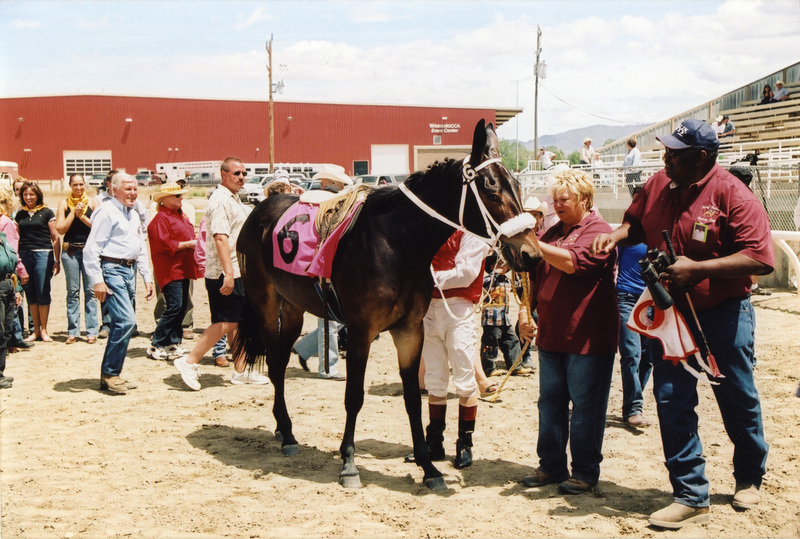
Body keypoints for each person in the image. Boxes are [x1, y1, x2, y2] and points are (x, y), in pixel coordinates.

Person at [590, 118, 774, 528]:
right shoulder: (658, 183)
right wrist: (617, 235)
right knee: (672, 399)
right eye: (667, 150)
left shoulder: (733, 194)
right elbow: (635, 223)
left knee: (737, 395)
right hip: (670, 311)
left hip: (723, 311)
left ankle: (749, 474)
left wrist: (699, 269)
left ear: (701, 158)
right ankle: (690, 492)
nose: (666, 157)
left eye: (675, 153)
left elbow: (761, 258)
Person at [518, 168, 618, 496]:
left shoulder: (599, 231)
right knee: (550, 402)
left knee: (586, 405)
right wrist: (524, 309)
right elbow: (533, 273)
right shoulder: (551, 233)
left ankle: (585, 471)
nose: (557, 205)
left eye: (564, 199)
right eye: (554, 200)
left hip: (586, 336)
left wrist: (532, 241)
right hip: (552, 334)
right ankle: (551, 464)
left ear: (584, 200)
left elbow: (572, 263)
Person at [174, 157, 269, 390]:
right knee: (227, 321)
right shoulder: (219, 201)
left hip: (238, 269)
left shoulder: (233, 199)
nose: (242, 177)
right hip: (224, 271)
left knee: (236, 322)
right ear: (224, 174)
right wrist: (227, 273)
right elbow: (220, 237)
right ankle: (189, 361)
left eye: (244, 173)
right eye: (237, 173)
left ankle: (241, 369)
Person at [421, 229, 487, 469]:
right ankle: (434, 442)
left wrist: (424, 277)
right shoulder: (430, 225)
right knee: (434, 378)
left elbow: (466, 273)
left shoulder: (471, 231)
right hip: (428, 305)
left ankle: (464, 444)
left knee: (464, 377)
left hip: (458, 307)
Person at [84, 172, 155, 393]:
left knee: (123, 323)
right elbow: (90, 249)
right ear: (114, 190)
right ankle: (109, 374)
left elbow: (140, 245)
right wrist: (97, 280)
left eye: (135, 189)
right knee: (125, 321)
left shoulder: (132, 213)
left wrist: (147, 275)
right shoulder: (106, 212)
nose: (133, 193)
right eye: (128, 189)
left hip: (128, 270)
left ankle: (113, 374)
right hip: (111, 270)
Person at [146, 183, 199, 361]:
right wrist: (189, 244)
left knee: (182, 306)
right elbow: (164, 245)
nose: (181, 198)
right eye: (177, 196)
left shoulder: (179, 216)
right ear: (165, 199)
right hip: (170, 269)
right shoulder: (160, 220)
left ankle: (173, 342)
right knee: (174, 305)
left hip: (183, 267)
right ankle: (158, 342)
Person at [614, 187, 653, 429]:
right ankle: (634, 407)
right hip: (626, 297)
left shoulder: (662, 229)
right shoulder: (626, 231)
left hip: (652, 300)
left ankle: (632, 403)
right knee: (631, 354)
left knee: (648, 357)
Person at [56, 173, 101, 344]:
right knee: (73, 292)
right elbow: (60, 229)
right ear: (70, 186)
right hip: (71, 252)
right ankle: (73, 331)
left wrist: (83, 216)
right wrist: (73, 213)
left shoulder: (93, 203)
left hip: (89, 252)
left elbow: (97, 227)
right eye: (75, 185)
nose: (78, 188)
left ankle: (91, 331)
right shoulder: (63, 204)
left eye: (81, 184)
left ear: (85, 185)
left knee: (90, 291)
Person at [15, 181, 61, 342]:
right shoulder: (20, 214)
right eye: (25, 194)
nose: (28, 197)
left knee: (42, 291)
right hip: (25, 254)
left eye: (31, 194)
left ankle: (44, 330)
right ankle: (35, 330)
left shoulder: (47, 212)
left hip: (43, 254)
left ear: (37, 195)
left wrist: (57, 260)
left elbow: (55, 237)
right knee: (30, 292)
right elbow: (16, 237)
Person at [0, 187, 32, 353]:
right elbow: (12, 252)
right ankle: (14, 340)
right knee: (11, 307)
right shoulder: (6, 222)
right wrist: (21, 271)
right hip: (6, 274)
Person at [0, 228, 25, 389]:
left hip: (9, 284)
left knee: (6, 330)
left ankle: (0, 372)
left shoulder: (3, 238)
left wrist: (16, 289)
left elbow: (12, 264)